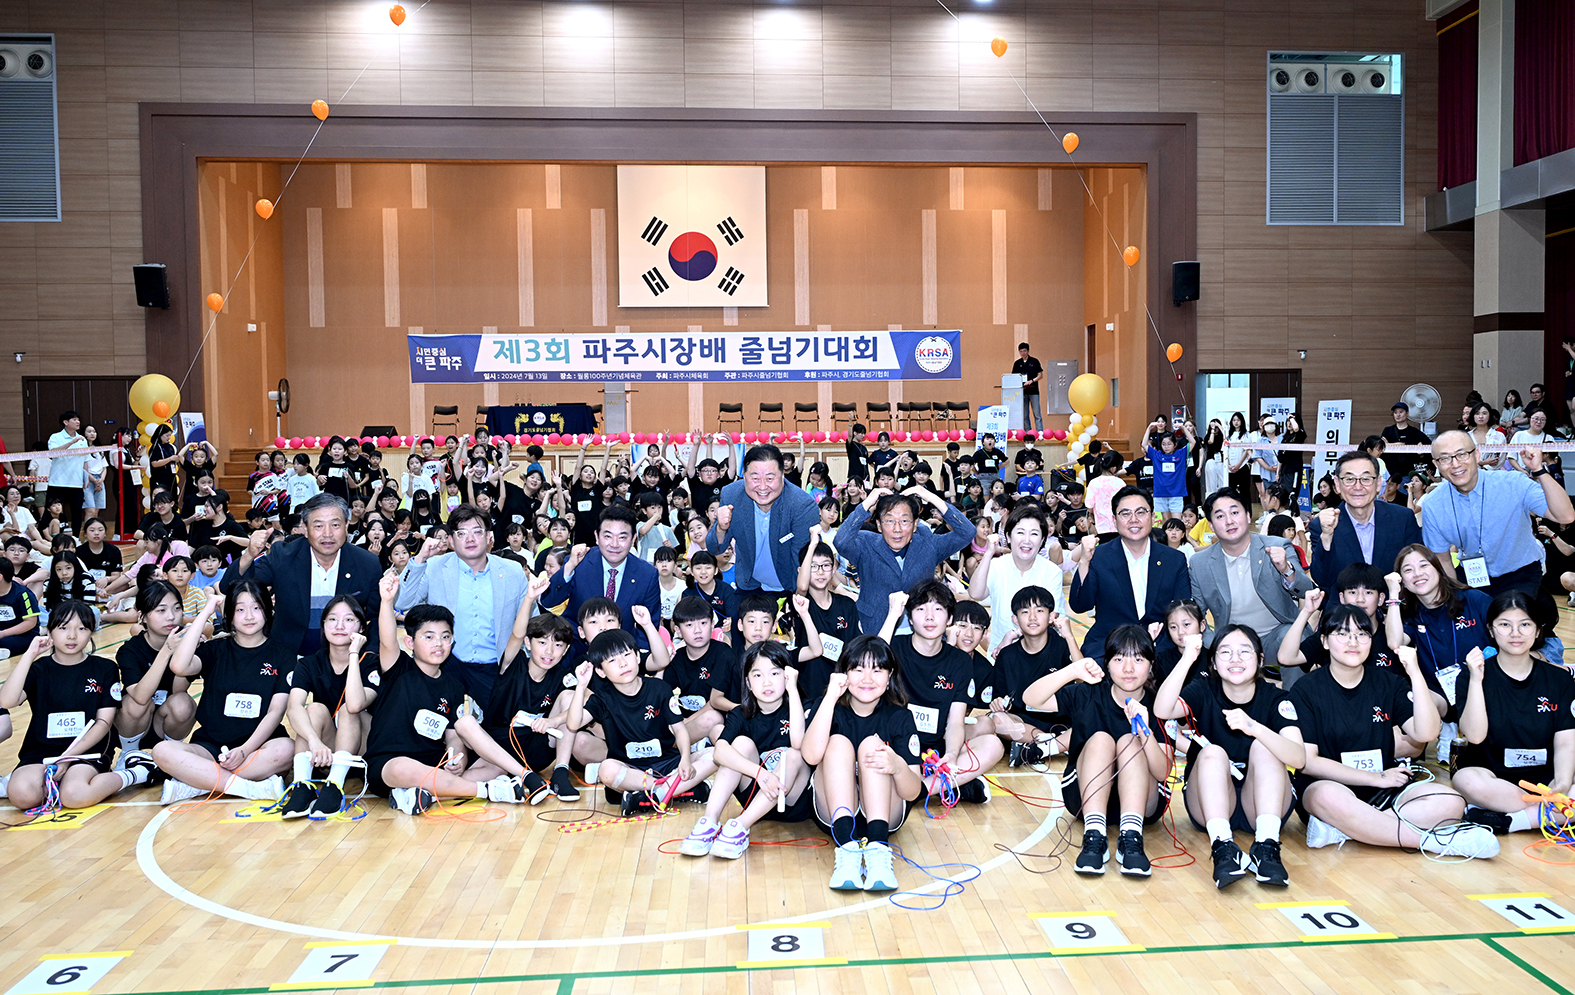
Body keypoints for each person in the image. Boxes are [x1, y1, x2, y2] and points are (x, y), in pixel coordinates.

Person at [1287, 605, 1499, 859]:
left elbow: (1427, 733)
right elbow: (1309, 762)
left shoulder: (1388, 682)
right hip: (1332, 786)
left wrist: (1415, 673)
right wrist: (1374, 778)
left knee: (1451, 801)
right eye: (1342, 634)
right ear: (1324, 641)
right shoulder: (1306, 689)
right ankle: (1436, 843)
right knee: (1327, 796)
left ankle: (1348, 829)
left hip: (1385, 788)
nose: (1353, 642)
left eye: (1362, 634)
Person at [350, 574, 541, 815]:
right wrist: (387, 602)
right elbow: (387, 640)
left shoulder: (453, 686)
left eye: (445, 637)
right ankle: (488, 791)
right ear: (410, 642)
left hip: (435, 763)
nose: (438, 643)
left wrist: (458, 758)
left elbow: (453, 736)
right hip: (389, 764)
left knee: (495, 764)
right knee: (401, 768)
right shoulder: (398, 669)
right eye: (428, 637)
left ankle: (422, 794)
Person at [1154, 625, 1303, 888]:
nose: (1235, 659)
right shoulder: (1203, 689)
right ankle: (1223, 847)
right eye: (1225, 652)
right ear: (1213, 662)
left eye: (1245, 651)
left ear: (1259, 660)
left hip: (1262, 805)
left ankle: (1267, 847)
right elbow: (1162, 710)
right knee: (1212, 752)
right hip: (1208, 804)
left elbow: (1299, 758)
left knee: (1264, 747)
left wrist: (1254, 728)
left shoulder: (1276, 698)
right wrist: (1187, 659)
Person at [1022, 626, 1173, 877]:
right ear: (1107, 664)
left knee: (1129, 741)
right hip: (1085, 797)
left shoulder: (1159, 705)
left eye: (1138, 659)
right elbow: (1030, 698)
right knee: (1101, 740)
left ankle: (1131, 838)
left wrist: (1144, 731)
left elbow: (1163, 772)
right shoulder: (1088, 693)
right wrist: (1072, 671)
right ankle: (1094, 835)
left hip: (1144, 803)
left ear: (1151, 665)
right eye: (1119, 659)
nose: (1128, 668)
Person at [148, 586, 296, 804]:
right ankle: (246, 788)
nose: (249, 616)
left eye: (256, 608)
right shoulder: (215, 650)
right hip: (211, 746)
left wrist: (244, 750)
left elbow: (276, 711)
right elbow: (179, 666)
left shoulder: (283, 655)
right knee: (162, 751)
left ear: (267, 610)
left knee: (287, 749)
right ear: (230, 615)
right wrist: (206, 612)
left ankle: (198, 784)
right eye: (240, 609)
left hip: (257, 747)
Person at [0, 603, 155, 811]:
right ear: (50, 631)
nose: (72, 636)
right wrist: (29, 655)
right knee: (22, 795)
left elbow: (103, 722)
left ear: (91, 632)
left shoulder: (105, 668)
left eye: (82, 628)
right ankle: (50, 783)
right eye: (63, 628)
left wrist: (67, 757)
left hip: (88, 750)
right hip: (42, 750)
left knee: (74, 795)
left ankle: (136, 773)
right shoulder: (38, 669)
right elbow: (6, 701)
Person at [801, 634, 924, 892]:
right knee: (837, 743)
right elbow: (810, 756)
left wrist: (897, 766)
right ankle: (847, 851)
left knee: (872, 746)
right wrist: (830, 697)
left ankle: (878, 851)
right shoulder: (827, 706)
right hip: (834, 815)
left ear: (890, 676)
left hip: (884, 815)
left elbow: (914, 791)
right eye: (858, 669)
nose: (867, 678)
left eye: (877, 670)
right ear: (844, 673)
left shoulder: (900, 716)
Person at [1453, 590, 1575, 835]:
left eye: (1525, 625)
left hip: (1549, 779)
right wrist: (1476, 679)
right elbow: (1474, 736)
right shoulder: (1471, 676)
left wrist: (1562, 783)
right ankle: (1553, 814)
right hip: (1495, 779)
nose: (1515, 633)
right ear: (1491, 630)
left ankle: (1511, 820)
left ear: (1538, 630)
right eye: (1505, 625)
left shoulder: (1559, 679)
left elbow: (1566, 741)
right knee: (1466, 780)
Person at [677, 640, 812, 859]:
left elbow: (798, 743)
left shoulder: (803, 706)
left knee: (793, 755)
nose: (767, 682)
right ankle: (710, 822)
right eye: (757, 675)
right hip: (754, 795)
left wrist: (793, 690)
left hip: (791, 802)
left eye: (775, 673)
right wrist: (761, 774)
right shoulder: (740, 713)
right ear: (748, 682)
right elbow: (719, 752)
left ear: (787, 676)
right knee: (739, 744)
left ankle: (740, 826)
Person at [566, 628, 718, 818]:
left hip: (669, 763)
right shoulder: (602, 698)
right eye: (612, 661)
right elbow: (573, 724)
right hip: (632, 770)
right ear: (600, 672)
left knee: (716, 754)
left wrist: (686, 759)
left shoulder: (659, 689)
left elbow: (679, 730)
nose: (622, 663)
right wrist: (581, 686)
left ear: (638, 657)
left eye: (626, 655)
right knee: (606, 770)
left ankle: (652, 796)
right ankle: (673, 790)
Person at [878, 581, 1003, 804]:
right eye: (920, 609)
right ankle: (948, 785)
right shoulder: (895, 647)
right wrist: (892, 615)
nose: (929, 617)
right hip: (895, 745)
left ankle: (921, 790)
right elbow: (871, 661)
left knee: (993, 745)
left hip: (933, 749)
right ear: (909, 618)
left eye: (938, 609)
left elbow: (955, 722)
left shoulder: (960, 661)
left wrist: (952, 754)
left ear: (950, 619)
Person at [394, 504, 529, 703]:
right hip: (447, 664)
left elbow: (531, 620)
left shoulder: (513, 571)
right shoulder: (434, 566)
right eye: (462, 533)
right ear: (451, 540)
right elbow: (403, 601)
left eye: (477, 531)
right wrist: (420, 557)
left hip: (496, 667)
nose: (470, 539)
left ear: (488, 536)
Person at [222, 493, 384, 656]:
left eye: (335, 525)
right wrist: (249, 555)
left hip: (346, 656)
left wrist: (369, 656)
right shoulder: (283, 556)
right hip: (288, 654)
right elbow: (230, 587)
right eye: (318, 526)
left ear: (346, 525)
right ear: (305, 529)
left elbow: (377, 617)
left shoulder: (367, 563)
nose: (327, 534)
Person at [1421, 431, 1575, 596]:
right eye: (1445, 458)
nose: (1455, 464)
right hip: (1471, 574)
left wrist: (1538, 470)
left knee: (1511, 610)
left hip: (1520, 574)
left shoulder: (1514, 483)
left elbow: (1565, 516)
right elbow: (1443, 559)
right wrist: (1456, 597)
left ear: (1477, 454)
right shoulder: (1432, 504)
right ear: (1436, 464)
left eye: (1462, 454)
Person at [276, 595, 383, 819]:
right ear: (323, 625)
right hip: (326, 753)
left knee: (348, 709)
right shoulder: (308, 663)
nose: (340, 626)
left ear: (361, 627)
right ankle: (302, 786)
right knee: (313, 709)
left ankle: (335, 786)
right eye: (332, 619)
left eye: (349, 620)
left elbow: (356, 704)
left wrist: (354, 654)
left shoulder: (372, 662)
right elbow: (293, 707)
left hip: (364, 751)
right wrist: (313, 740)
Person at [1189, 488, 1315, 676]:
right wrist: (1213, 644)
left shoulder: (1277, 546)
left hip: (1277, 635)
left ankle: (1295, 695)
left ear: (1248, 516)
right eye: (1220, 516)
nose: (1229, 521)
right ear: (1211, 526)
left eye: (1234, 512)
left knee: (1294, 638)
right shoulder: (1200, 563)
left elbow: (1305, 589)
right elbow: (1195, 614)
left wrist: (1286, 569)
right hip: (1231, 643)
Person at [1069, 485, 1191, 663]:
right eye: (1125, 514)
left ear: (1152, 517)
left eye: (1141, 512)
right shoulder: (1099, 556)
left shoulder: (1174, 559)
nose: (1134, 520)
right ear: (1114, 519)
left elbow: (1183, 609)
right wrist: (1084, 562)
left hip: (1160, 647)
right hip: (1109, 646)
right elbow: (1080, 606)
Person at [835, 485, 974, 635]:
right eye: (889, 521)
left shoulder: (928, 545)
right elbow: (840, 541)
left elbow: (967, 532)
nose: (897, 529)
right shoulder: (866, 544)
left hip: (919, 633)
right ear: (879, 525)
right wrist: (866, 503)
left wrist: (931, 497)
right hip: (875, 628)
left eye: (904, 521)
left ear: (915, 524)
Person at [542, 505, 662, 650]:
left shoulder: (647, 574)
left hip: (621, 651)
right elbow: (548, 600)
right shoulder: (579, 562)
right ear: (597, 537)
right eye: (608, 536)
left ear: (633, 539)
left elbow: (647, 630)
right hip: (577, 647)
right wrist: (569, 568)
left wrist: (634, 658)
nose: (615, 544)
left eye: (622, 537)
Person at [707, 444, 819, 595]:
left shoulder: (802, 505)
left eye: (770, 478)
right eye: (755, 478)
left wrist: (799, 598)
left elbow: (803, 560)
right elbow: (715, 548)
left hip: (790, 586)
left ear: (783, 476)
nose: (762, 487)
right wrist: (721, 528)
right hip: (750, 584)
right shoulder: (731, 495)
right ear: (744, 475)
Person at [1309, 451, 1422, 595]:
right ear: (1337, 484)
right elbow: (1322, 580)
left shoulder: (1402, 518)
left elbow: (1416, 570)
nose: (1358, 487)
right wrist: (1326, 537)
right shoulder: (1322, 525)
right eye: (1349, 479)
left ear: (1378, 483)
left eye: (1366, 479)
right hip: (1344, 608)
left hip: (1394, 604)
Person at [968, 503, 1064, 647]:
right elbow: (975, 594)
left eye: (1034, 534)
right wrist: (988, 553)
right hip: (1000, 651)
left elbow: (1051, 618)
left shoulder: (1052, 572)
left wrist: (1014, 634)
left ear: (1042, 540)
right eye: (1020, 532)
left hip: (1039, 652)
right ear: (1008, 537)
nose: (1027, 540)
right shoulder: (996, 566)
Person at [45, 410, 90, 532]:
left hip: (76, 483)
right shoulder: (55, 437)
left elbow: (86, 460)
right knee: (52, 512)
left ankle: (75, 538)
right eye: (74, 420)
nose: (78, 422)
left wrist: (86, 478)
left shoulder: (82, 440)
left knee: (77, 512)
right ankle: (51, 537)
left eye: (78, 420)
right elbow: (52, 453)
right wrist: (71, 442)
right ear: (65, 422)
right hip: (57, 482)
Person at [1144, 417, 1195, 519]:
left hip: (1176, 493)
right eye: (1163, 444)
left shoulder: (1181, 454)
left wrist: (1183, 428)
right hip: (1160, 493)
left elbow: (1193, 442)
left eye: (1169, 444)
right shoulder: (1157, 455)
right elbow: (1144, 444)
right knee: (1166, 522)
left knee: (1177, 521)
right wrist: (1149, 429)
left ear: (1175, 445)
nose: (1166, 447)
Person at [0, 555, 41, 656]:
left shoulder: (23, 594)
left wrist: (3, 633)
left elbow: (30, 622)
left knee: (4, 643)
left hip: (23, 634)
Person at [1380, 401, 1429, 486]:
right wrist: (1402, 444)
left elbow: (1427, 445)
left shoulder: (1414, 432)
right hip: (1389, 473)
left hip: (1407, 472)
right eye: (1395, 412)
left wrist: (1391, 445)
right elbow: (1382, 446)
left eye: (1401, 412)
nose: (1398, 415)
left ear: (1407, 413)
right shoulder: (1387, 430)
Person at [1012, 342, 1044, 432]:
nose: (1023, 353)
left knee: (1037, 414)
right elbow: (1014, 376)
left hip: (1034, 391)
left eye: (1024, 351)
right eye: (1021, 351)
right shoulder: (1017, 363)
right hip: (1022, 392)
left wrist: (1032, 380)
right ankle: (1028, 432)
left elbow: (1040, 375)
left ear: (1028, 351)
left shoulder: (1034, 361)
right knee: (1025, 414)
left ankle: (1039, 432)